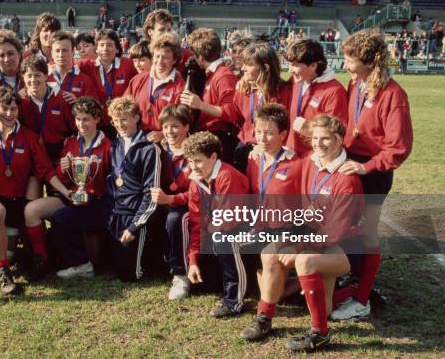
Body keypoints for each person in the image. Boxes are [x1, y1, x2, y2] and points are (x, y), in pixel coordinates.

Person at [241, 114, 364, 353]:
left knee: (305, 262)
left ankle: (320, 334)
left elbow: (334, 232)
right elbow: (285, 166)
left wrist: (298, 248)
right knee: (269, 253)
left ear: (339, 140)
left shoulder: (347, 179)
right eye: (315, 138)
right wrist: (262, 151)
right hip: (317, 239)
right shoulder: (312, 161)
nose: (319, 143)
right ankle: (264, 317)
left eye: (326, 139)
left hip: (346, 247)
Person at [330, 29, 413, 321]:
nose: (345, 65)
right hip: (351, 165)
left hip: (373, 172)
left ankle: (362, 297)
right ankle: (350, 280)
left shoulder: (393, 94)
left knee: (367, 234)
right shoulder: (356, 84)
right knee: (345, 228)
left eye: (350, 59)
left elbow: (399, 147)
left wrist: (366, 167)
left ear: (368, 61)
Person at [0, 87, 57, 283]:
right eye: (4, 108)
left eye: (13, 109)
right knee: (1, 256)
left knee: (12, 255)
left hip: (17, 202)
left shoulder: (29, 137)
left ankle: (38, 255)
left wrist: (64, 192)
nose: (9, 114)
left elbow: (44, 169)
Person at [182, 41, 291, 172]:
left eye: (249, 65)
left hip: (271, 153)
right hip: (245, 150)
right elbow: (231, 114)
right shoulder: (244, 90)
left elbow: (286, 129)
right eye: (244, 64)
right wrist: (200, 105)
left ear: (266, 68)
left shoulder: (285, 93)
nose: (243, 68)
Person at [183, 131, 251, 317]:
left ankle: (233, 301)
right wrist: (194, 261)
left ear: (213, 157)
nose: (193, 167)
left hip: (252, 227)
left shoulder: (227, 176)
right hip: (220, 228)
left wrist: (211, 224)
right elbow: (196, 224)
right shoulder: (196, 182)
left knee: (224, 239)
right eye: (190, 161)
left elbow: (230, 220)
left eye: (198, 160)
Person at [52, 97, 112, 278]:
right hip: (76, 198)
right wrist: (63, 168)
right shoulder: (70, 143)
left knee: (63, 217)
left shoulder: (108, 145)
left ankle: (84, 264)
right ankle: (79, 263)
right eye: (78, 119)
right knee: (60, 217)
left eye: (86, 119)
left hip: (100, 202)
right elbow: (64, 177)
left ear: (97, 119)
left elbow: (110, 178)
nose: (81, 123)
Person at [105, 97, 163, 281]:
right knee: (117, 269)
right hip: (117, 211)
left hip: (137, 214)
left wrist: (134, 226)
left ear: (137, 118)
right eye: (116, 120)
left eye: (125, 119)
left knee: (131, 275)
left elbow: (150, 193)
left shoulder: (149, 148)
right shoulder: (115, 144)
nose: (120, 124)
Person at [149, 105, 193, 299]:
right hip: (164, 202)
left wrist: (172, 199)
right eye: (165, 127)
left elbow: (200, 192)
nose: (169, 131)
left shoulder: (196, 150)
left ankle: (181, 275)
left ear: (187, 127)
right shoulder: (158, 149)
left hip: (190, 205)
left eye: (175, 126)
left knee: (176, 219)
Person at [180, 28, 238, 162]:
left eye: (194, 55)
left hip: (218, 139)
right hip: (211, 136)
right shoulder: (214, 74)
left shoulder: (223, 76)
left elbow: (231, 113)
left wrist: (200, 105)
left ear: (200, 57)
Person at [285, 39, 347, 157]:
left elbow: (336, 133)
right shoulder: (297, 81)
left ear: (313, 65)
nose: (290, 70)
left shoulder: (334, 91)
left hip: (315, 159)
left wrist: (308, 129)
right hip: (291, 155)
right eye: (289, 64)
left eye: (294, 65)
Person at [125, 33, 185, 141]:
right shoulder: (138, 80)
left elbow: (182, 121)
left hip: (166, 142)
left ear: (175, 60)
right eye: (157, 56)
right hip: (138, 138)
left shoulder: (181, 87)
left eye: (165, 57)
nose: (160, 61)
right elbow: (125, 107)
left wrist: (163, 134)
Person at [78, 29, 138, 104]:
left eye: (109, 45)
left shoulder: (128, 64)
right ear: (96, 49)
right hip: (96, 114)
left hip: (121, 114)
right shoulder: (85, 65)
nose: (105, 49)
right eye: (102, 45)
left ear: (117, 49)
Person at [47, 31, 101, 107]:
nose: (61, 55)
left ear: (73, 51)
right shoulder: (44, 77)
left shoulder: (85, 80)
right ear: (52, 53)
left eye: (64, 50)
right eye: (57, 51)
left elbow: (96, 109)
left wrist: (79, 103)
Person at [142, 9, 193, 76]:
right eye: (161, 30)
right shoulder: (140, 55)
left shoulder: (185, 55)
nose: (166, 33)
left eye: (169, 30)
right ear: (150, 32)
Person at [0, 29, 25, 95]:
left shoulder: (30, 79)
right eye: (2, 55)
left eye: (10, 53)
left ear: (19, 54)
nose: (7, 59)